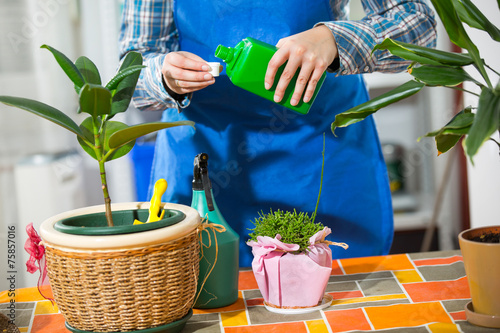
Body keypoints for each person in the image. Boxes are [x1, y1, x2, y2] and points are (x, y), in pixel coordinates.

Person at [119, 0, 437, 267]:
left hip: (322, 149)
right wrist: (163, 74)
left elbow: (419, 31)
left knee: (338, 301)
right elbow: (132, 73)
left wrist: (333, 40)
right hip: (209, 157)